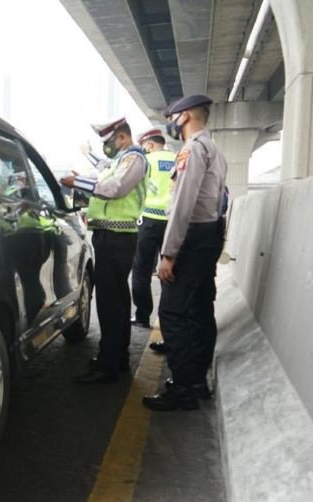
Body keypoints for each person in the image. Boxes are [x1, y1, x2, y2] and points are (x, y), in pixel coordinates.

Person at [142, 94, 228, 411]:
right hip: (210, 233)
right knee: (201, 307)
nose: (171, 122)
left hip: (192, 236)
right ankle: (198, 381)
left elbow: (182, 204)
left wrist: (168, 253)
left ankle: (184, 388)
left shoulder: (191, 150)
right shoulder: (215, 149)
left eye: (174, 116)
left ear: (185, 117)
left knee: (174, 312)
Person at [60, 117, 147, 384]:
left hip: (116, 238)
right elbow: (107, 170)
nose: (107, 147)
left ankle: (109, 365)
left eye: (109, 142)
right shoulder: (122, 160)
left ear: (122, 137)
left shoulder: (135, 159)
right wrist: (88, 164)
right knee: (117, 302)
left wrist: (78, 183)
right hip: (112, 237)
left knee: (110, 303)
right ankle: (116, 357)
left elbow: (115, 188)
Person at [130, 128, 176, 329]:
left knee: (141, 270)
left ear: (148, 144)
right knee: (170, 271)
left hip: (147, 221)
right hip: (172, 221)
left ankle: (142, 316)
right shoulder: (178, 158)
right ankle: (168, 320)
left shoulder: (146, 161)